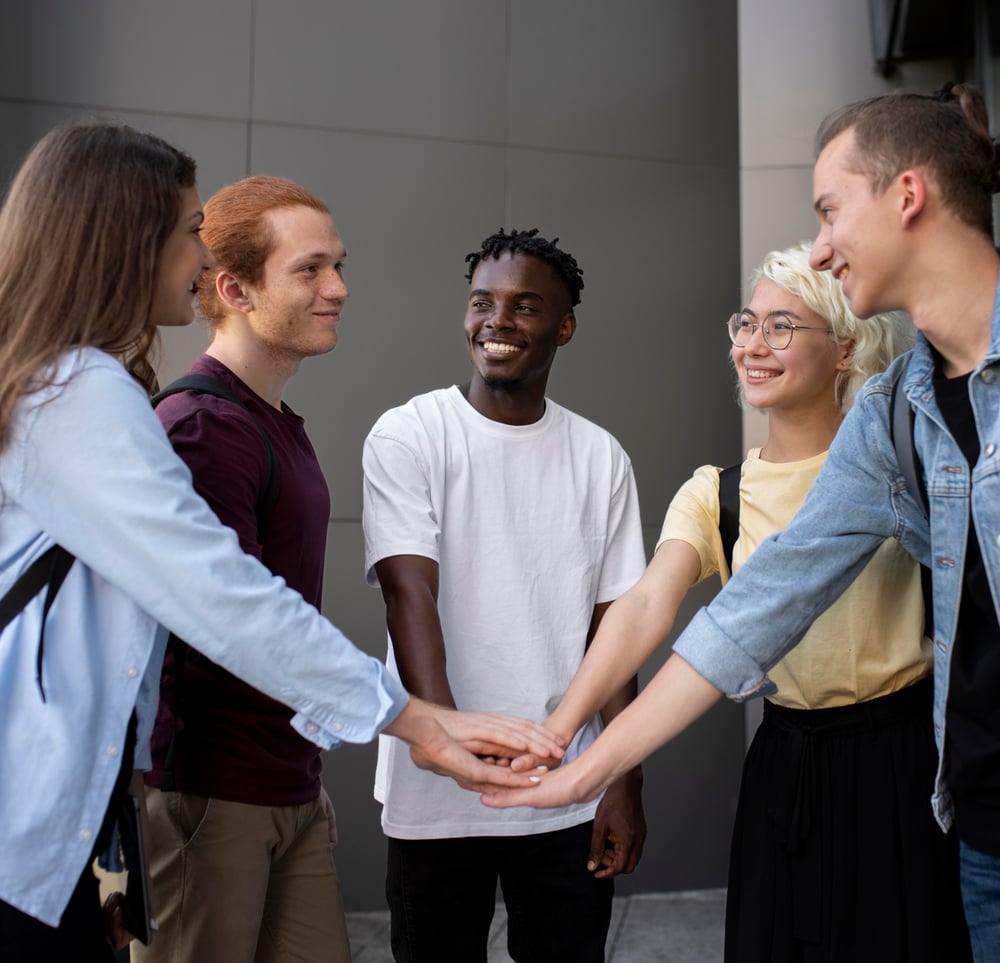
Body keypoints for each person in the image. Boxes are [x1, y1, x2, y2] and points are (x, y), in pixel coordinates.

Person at [0, 123, 562, 963]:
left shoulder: (74, 387)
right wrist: (412, 719)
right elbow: (215, 594)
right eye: (188, 229)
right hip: (81, 816)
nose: (197, 255)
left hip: (111, 811)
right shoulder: (85, 395)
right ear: (126, 240)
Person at [483, 84, 1000, 962]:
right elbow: (752, 610)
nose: (824, 246)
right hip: (982, 826)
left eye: (830, 211)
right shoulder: (894, 416)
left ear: (907, 196)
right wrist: (580, 760)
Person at [362, 228, 647, 962]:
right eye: (483, 301)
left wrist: (620, 777)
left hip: (567, 784)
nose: (497, 320)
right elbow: (407, 589)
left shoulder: (600, 456)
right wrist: (448, 737)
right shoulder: (409, 434)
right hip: (436, 794)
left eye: (524, 306)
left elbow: (613, 626)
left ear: (564, 326)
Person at [133, 176, 355, 963]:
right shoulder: (201, 426)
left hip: (281, 785)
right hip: (207, 794)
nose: (338, 288)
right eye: (311, 269)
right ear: (234, 287)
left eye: (337, 266)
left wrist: (302, 770)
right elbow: (233, 625)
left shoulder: (274, 422)